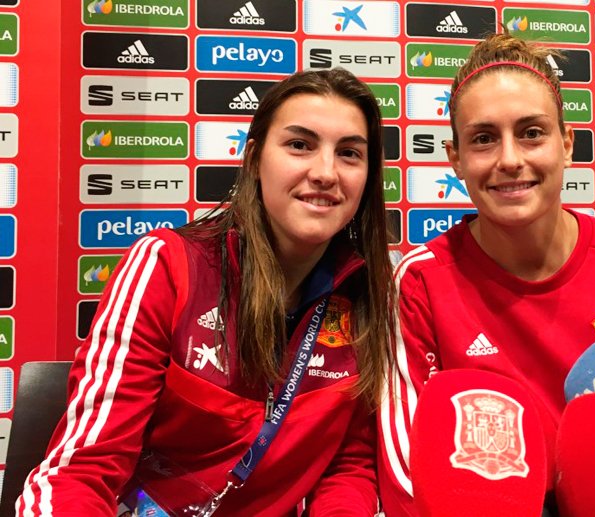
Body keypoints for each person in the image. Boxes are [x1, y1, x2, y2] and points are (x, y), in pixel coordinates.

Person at [18, 68, 395, 517]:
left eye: (350, 153)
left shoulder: (371, 294)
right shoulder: (166, 267)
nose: (326, 172)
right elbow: (82, 471)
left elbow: (348, 469)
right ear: (254, 158)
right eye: (299, 145)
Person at [377, 33, 595, 516]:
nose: (510, 159)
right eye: (484, 138)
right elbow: (409, 479)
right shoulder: (420, 282)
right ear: (455, 160)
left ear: (566, 144)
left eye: (532, 132)